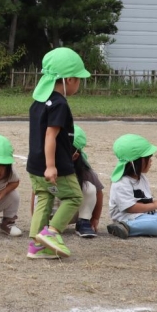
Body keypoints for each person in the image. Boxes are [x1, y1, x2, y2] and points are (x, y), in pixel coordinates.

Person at [27, 47, 91, 259]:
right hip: (54, 164)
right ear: (69, 79)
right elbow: (50, 136)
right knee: (74, 196)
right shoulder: (60, 104)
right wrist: (52, 165)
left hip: (34, 164)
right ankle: (52, 233)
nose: (79, 84)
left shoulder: (38, 102)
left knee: (44, 198)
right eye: (79, 79)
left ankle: (36, 246)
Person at [30, 125, 104, 238]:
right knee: (42, 192)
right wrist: (35, 218)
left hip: (71, 213)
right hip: (50, 214)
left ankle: (83, 222)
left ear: (75, 156)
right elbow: (36, 192)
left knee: (89, 187)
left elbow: (98, 193)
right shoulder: (46, 168)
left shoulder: (84, 172)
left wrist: (95, 218)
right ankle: (45, 225)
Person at [107, 134, 157, 239]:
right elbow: (130, 208)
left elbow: (144, 200)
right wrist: (156, 205)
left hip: (144, 215)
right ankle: (126, 227)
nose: (151, 161)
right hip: (128, 218)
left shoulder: (141, 178)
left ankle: (149, 227)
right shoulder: (121, 183)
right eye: (148, 158)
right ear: (135, 162)